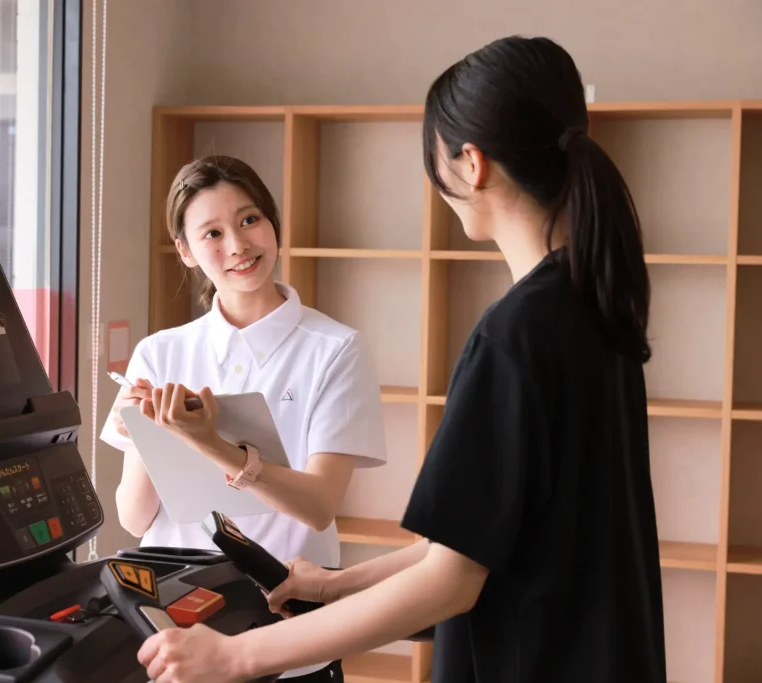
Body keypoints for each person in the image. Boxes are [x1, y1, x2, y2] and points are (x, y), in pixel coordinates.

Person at [134, 35, 667, 683]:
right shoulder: (592, 309)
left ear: (471, 163)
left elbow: (449, 580)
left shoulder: (515, 338)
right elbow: (465, 543)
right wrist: (335, 584)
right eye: (210, 232)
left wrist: (236, 654)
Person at [98, 154, 388, 681]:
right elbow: (134, 519)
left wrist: (211, 443)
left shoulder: (336, 350)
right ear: (186, 251)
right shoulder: (159, 354)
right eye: (212, 233)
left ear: (273, 224)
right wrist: (147, 433)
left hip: (290, 635)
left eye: (250, 220)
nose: (238, 246)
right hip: (177, 636)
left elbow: (319, 506)